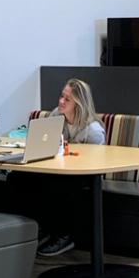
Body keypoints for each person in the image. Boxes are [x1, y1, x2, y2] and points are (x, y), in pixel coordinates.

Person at [29, 78, 105, 257]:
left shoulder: (93, 131)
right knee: (20, 178)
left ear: (78, 103)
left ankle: (64, 235)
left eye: (67, 99)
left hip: (84, 177)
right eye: (61, 96)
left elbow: (97, 165)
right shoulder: (56, 116)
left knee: (59, 185)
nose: (61, 101)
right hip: (58, 170)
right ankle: (41, 230)